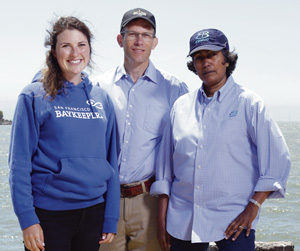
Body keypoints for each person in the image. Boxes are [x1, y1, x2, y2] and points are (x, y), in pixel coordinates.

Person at [150, 28, 291, 251]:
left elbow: (277, 160)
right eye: (199, 57)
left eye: (211, 55)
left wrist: (253, 207)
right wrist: (161, 221)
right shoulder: (181, 106)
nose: (205, 62)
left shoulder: (249, 103)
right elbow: (165, 169)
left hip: (235, 220)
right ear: (193, 64)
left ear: (225, 59)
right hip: (184, 219)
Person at [8, 16, 120, 251]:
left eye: (81, 45)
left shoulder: (102, 99)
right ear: (54, 50)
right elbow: (19, 165)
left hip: (93, 214)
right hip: (49, 214)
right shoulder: (34, 95)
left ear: (89, 49)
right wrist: (27, 219)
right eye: (66, 45)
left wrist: (110, 216)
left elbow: (111, 162)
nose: (74, 53)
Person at [94, 8, 189, 251]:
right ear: (120, 39)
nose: (139, 41)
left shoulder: (175, 89)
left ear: (154, 42)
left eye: (146, 35)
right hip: (104, 201)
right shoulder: (97, 87)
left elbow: (184, 151)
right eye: (132, 34)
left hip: (150, 203)